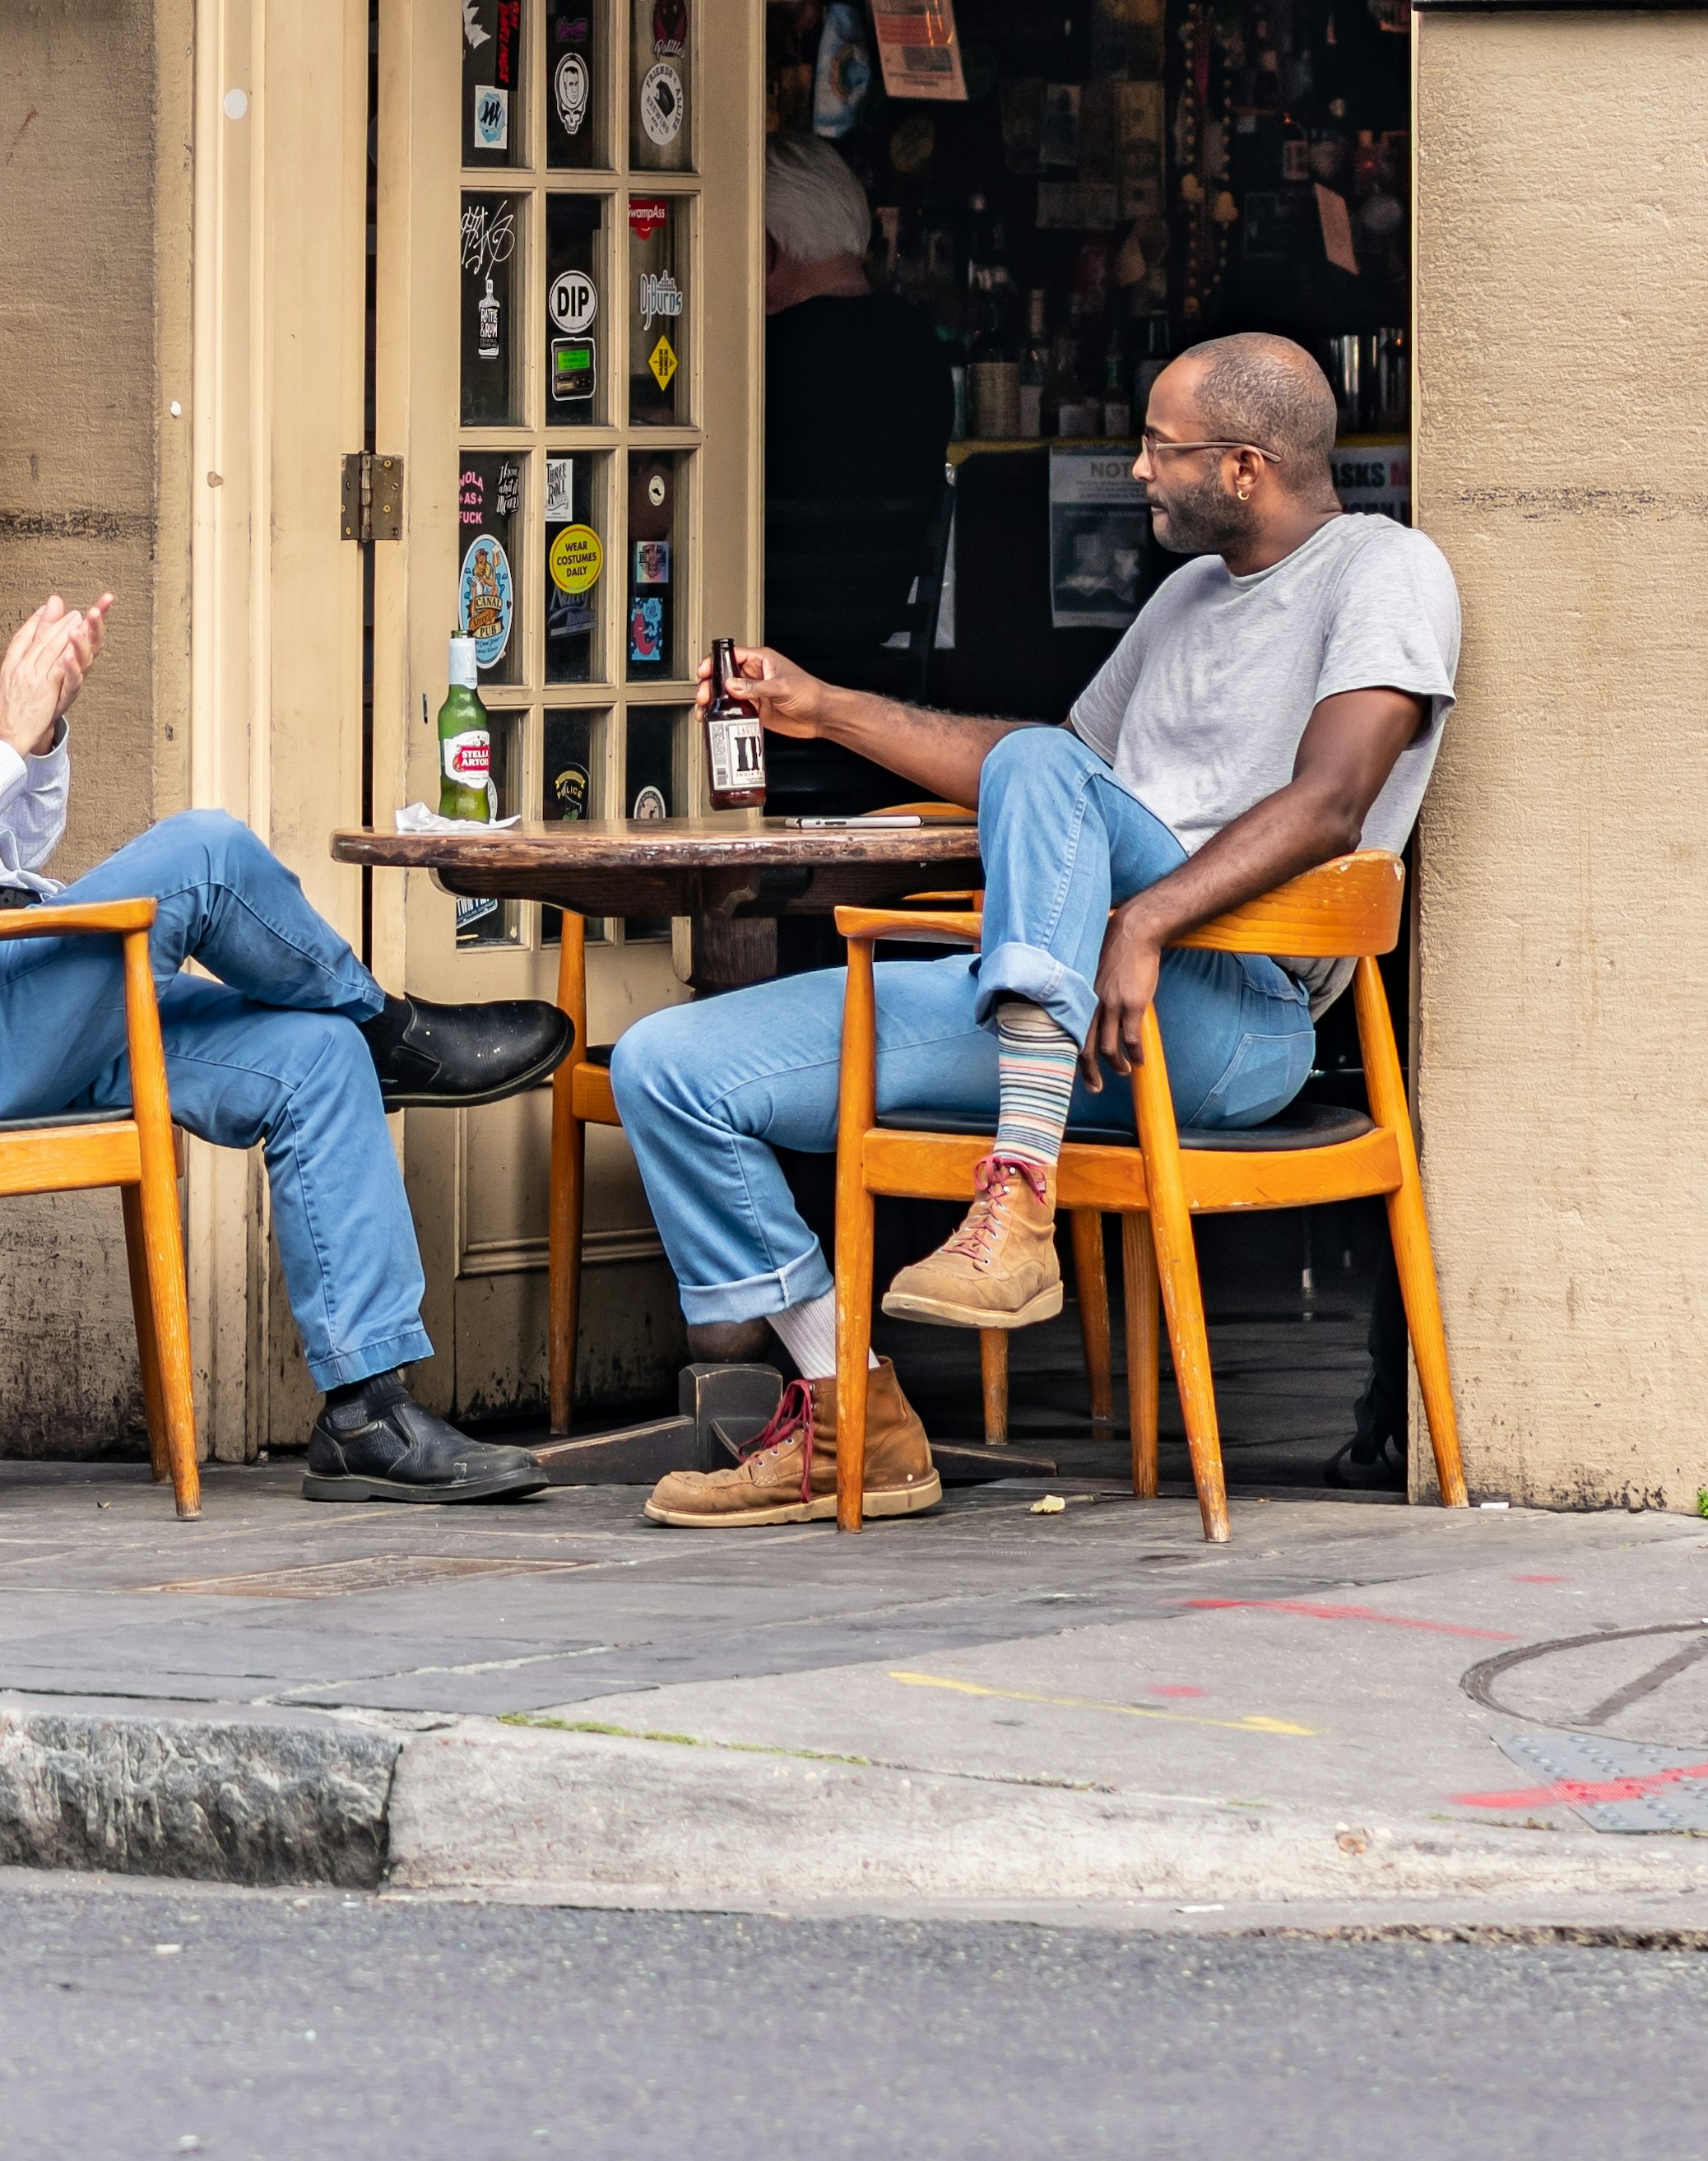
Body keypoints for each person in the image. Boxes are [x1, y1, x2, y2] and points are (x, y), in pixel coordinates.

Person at [0, 407, 571, 1508]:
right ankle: (394, 1029)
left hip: (15, 999)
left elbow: (3, 844)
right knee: (206, 854)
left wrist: (37, 734)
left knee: (313, 1059)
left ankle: (367, 1414)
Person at [610, 330, 1451, 1531]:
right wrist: (821, 707)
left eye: (1163, 449)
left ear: (1250, 466)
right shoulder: (1183, 600)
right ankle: (856, 1408)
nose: (1138, 470)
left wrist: (1149, 916)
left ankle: (1017, 1192)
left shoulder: (1386, 571)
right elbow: (1038, 781)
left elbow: (1332, 800)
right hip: (1083, 1016)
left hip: (1236, 1012)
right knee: (670, 1069)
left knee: (1046, 764)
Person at [745, 136, 977, 810]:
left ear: (764, 248)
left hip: (758, 674)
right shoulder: (919, 347)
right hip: (876, 672)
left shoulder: (757, 356)